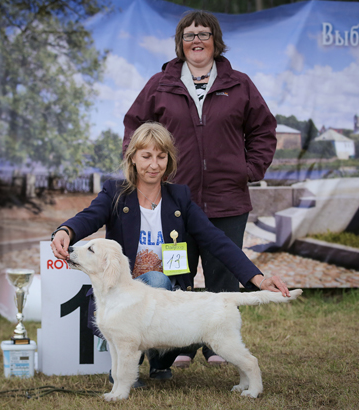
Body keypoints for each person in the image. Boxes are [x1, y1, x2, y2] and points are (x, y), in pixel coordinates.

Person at [51, 122, 288, 383]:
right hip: (125, 294)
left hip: (168, 295)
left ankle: (159, 361)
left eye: (161, 157)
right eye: (146, 156)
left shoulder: (179, 198)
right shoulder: (115, 193)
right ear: (132, 158)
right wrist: (66, 231)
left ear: (169, 160)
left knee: (158, 281)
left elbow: (216, 240)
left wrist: (259, 279)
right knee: (152, 281)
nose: (154, 165)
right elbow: (89, 216)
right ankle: (128, 367)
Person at [123, 10, 277, 367]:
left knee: (223, 268)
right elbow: (135, 126)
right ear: (180, 43)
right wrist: (144, 170)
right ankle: (181, 345)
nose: (197, 40)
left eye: (204, 34)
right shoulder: (160, 84)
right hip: (175, 198)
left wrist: (249, 169)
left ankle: (217, 344)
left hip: (228, 197)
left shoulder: (239, 84)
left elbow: (264, 130)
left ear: (216, 41)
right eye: (189, 34)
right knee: (179, 270)